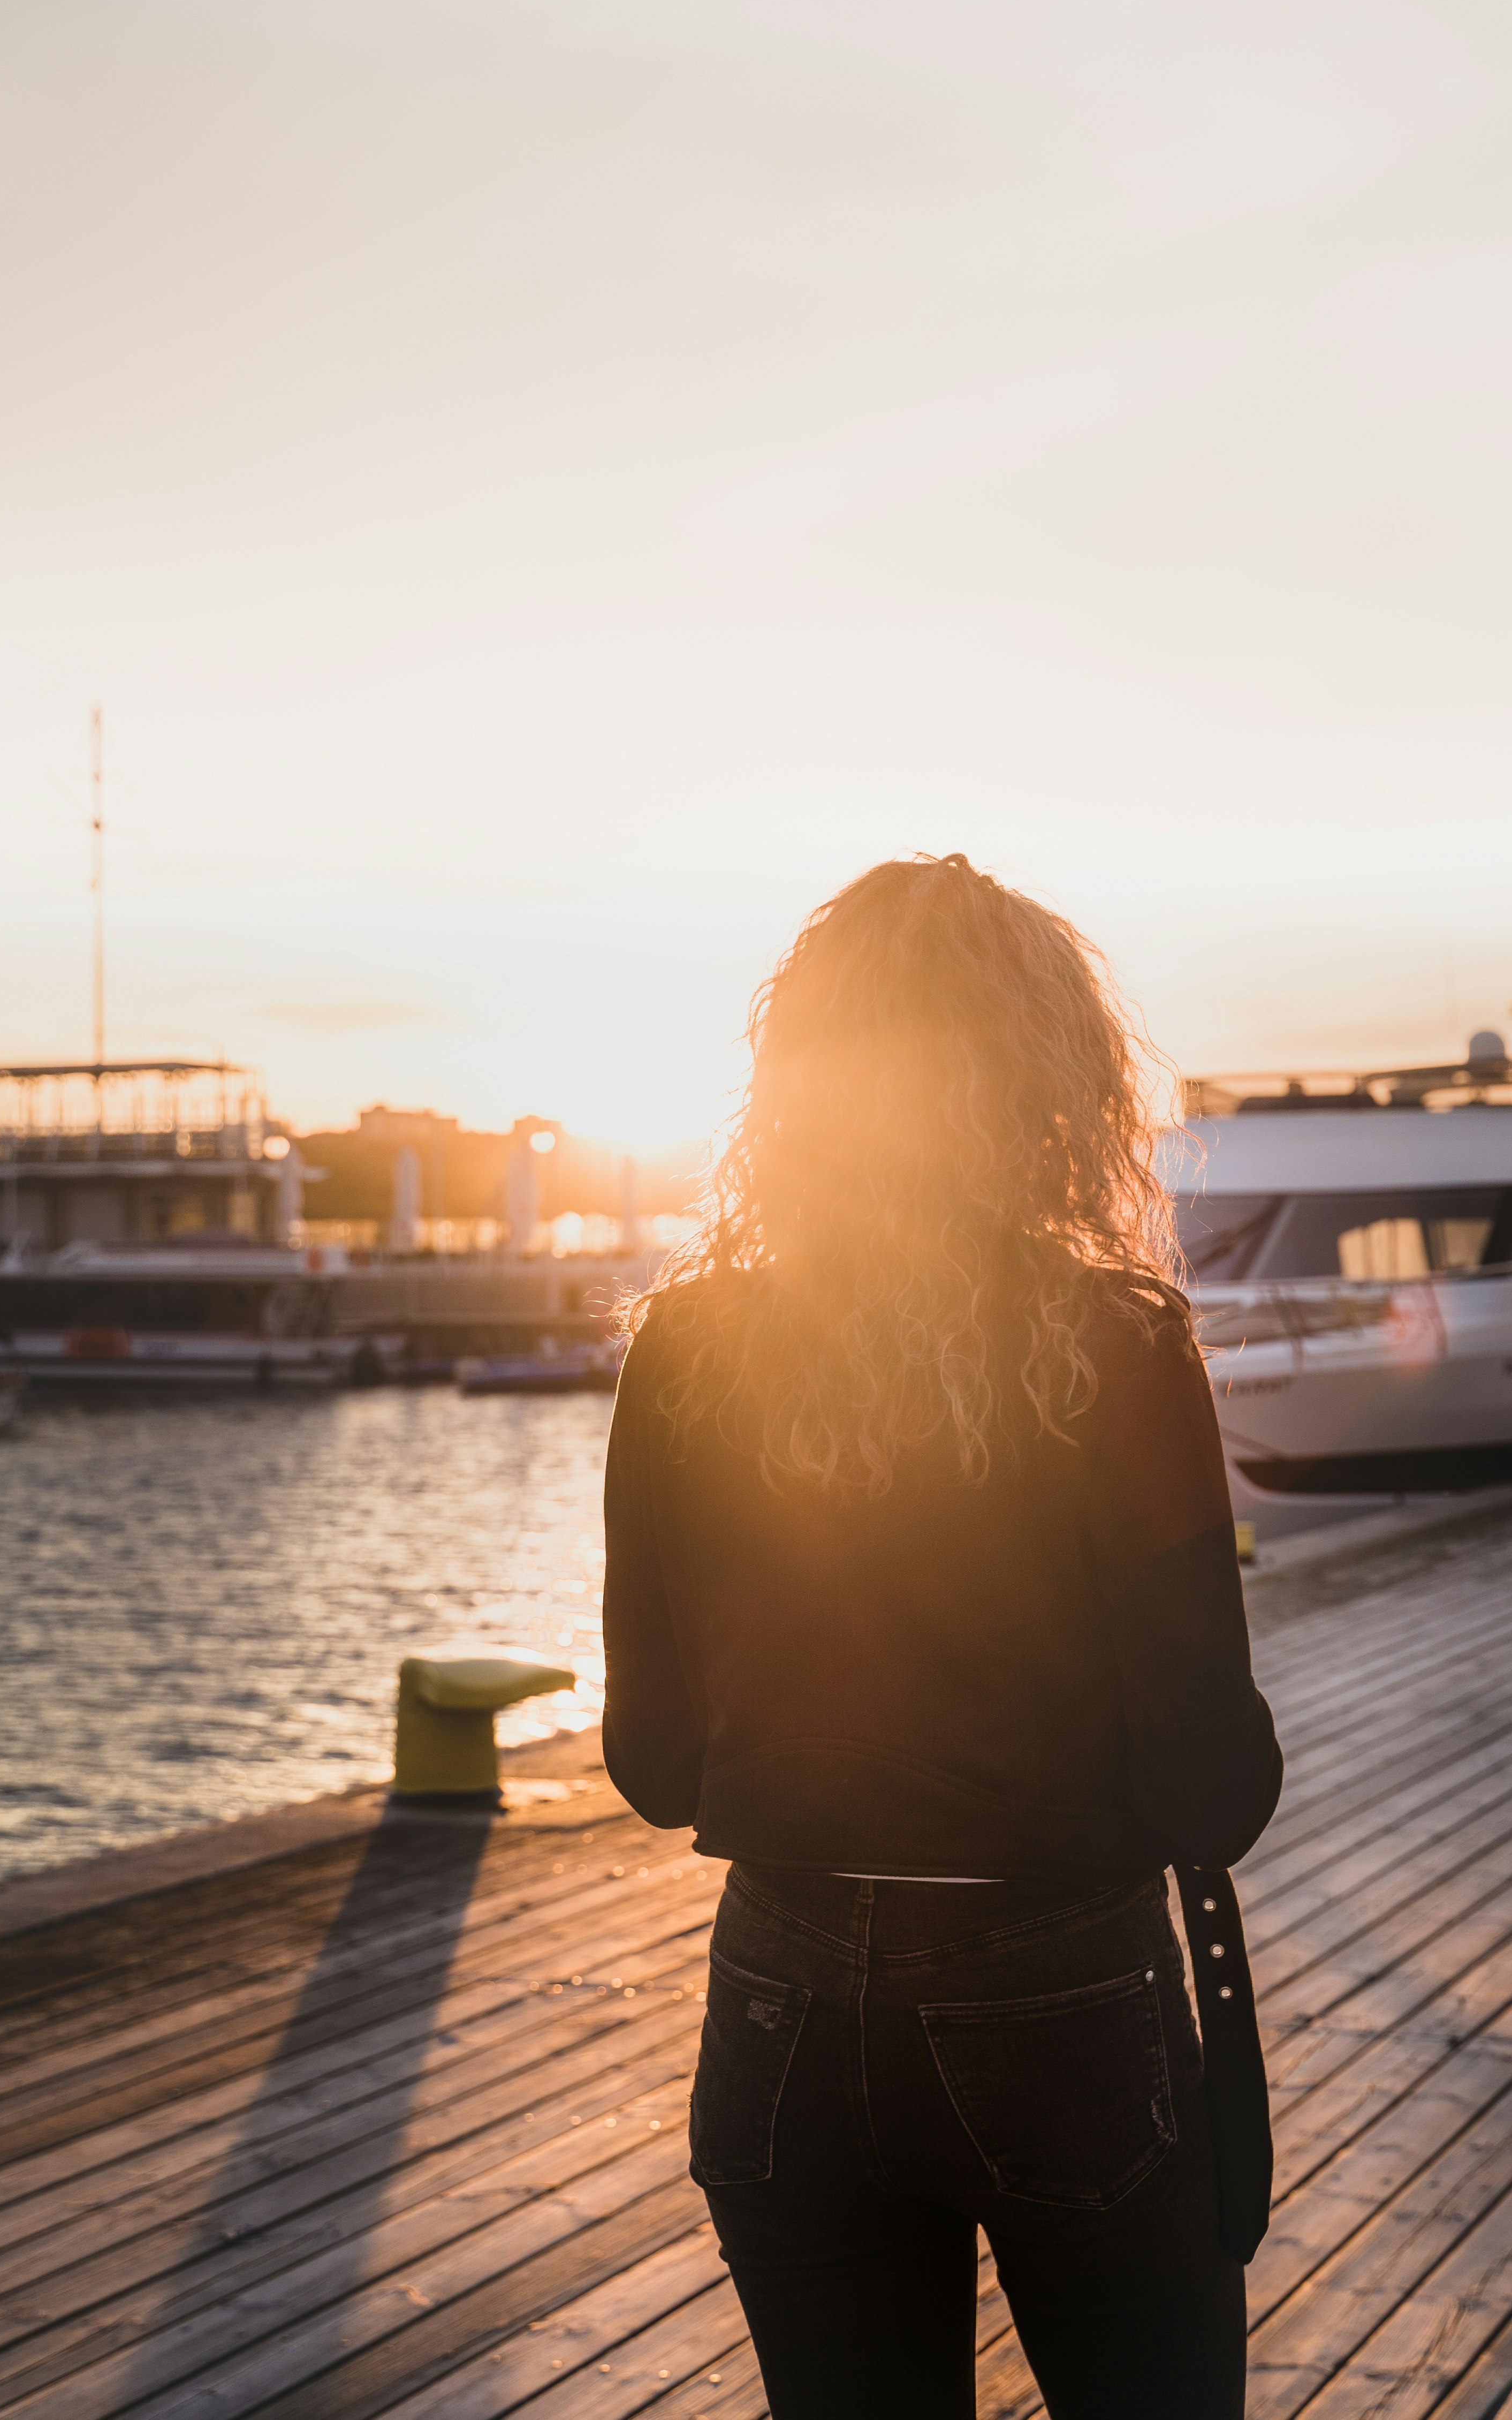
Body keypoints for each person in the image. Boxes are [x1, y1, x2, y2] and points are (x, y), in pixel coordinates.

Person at [603, 853, 1282, 2419]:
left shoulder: (689, 1347)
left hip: (776, 2001)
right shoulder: (1116, 1345)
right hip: (1061, 1990)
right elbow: (1206, 1782)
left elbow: (649, 1759)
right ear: (1051, 1080)